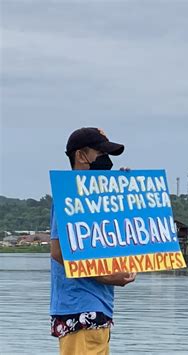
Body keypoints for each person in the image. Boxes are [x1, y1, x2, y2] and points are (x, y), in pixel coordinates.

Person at [50, 127, 136, 355]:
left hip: (98, 310)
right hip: (80, 309)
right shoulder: (70, 194)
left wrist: (126, 192)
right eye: (100, 154)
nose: (106, 161)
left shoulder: (98, 197)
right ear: (81, 156)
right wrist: (107, 277)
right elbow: (58, 252)